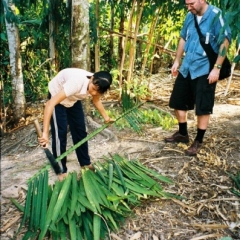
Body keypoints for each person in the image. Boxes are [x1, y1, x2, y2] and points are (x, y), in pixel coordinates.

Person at [165, 0, 231, 156]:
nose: (189, 7)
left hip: (205, 69)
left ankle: (198, 141)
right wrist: (177, 60)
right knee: (178, 101)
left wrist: (217, 68)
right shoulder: (190, 16)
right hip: (187, 66)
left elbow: (225, 41)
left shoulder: (217, 15)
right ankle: (183, 134)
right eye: (187, 4)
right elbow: (183, 38)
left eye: (191, 3)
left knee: (203, 106)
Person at [38, 68, 114, 180]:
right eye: (93, 89)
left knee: (80, 130)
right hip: (57, 95)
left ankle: (85, 163)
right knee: (60, 133)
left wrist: (106, 118)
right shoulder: (76, 83)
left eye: (97, 92)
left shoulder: (98, 84)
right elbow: (50, 104)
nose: (93, 93)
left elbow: (96, 100)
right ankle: (60, 170)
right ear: (92, 78)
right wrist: (45, 133)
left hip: (73, 98)